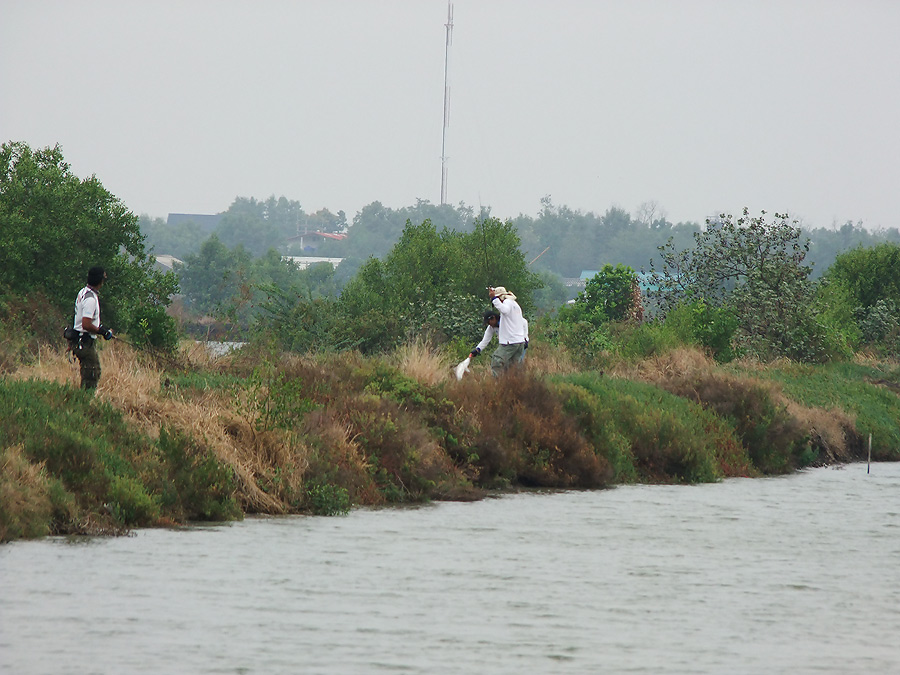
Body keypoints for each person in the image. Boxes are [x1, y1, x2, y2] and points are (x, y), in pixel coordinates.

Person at [71, 266, 113, 392]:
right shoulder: (90, 299)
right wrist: (102, 332)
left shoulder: (83, 292)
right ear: (100, 281)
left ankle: (83, 401)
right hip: (85, 342)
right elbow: (86, 324)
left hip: (79, 340)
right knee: (92, 374)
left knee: (89, 373)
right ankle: (84, 404)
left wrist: (101, 328)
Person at [485, 286, 527, 376]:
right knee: (513, 367)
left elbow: (504, 310)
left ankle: (498, 385)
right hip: (519, 342)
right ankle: (516, 385)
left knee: (497, 360)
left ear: (500, 297)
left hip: (510, 341)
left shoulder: (507, 302)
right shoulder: (515, 305)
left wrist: (493, 298)